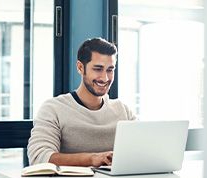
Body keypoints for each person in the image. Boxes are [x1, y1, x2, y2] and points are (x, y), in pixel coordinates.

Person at [27, 37, 136, 168]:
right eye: (98, 69)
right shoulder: (53, 109)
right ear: (80, 67)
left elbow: (144, 150)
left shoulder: (123, 111)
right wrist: (92, 159)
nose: (105, 78)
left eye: (110, 70)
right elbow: (39, 157)